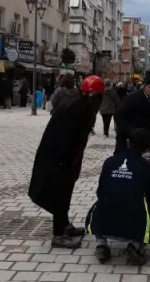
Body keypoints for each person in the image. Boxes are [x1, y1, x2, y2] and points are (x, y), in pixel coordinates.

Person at [30, 75, 105, 248]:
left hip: (64, 158)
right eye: (99, 97)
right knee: (60, 194)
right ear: (92, 95)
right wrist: (65, 161)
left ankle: (65, 226)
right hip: (58, 158)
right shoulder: (77, 108)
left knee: (66, 192)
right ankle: (58, 235)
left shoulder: (81, 104)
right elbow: (65, 137)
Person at [86, 128, 150, 265]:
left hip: (104, 220)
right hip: (133, 224)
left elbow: (100, 192)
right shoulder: (148, 168)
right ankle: (135, 246)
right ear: (147, 147)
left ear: (128, 142)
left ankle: (101, 244)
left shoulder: (109, 162)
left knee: (97, 207)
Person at [115, 72, 150, 157]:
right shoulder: (132, 97)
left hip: (147, 140)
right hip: (127, 137)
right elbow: (119, 117)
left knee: (146, 164)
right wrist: (131, 133)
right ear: (145, 86)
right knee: (123, 162)